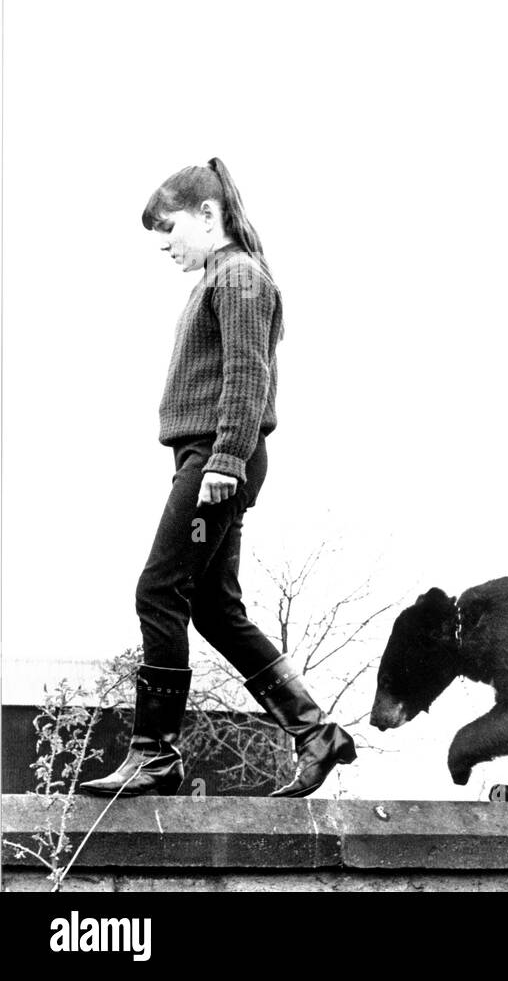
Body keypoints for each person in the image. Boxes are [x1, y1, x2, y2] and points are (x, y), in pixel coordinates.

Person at [81, 158, 356, 798]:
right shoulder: (222, 279)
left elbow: (247, 375)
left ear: (209, 214)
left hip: (217, 457)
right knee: (214, 610)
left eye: (170, 228)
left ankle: (155, 755)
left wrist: (224, 461)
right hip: (206, 457)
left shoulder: (238, 279)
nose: (165, 245)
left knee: (159, 589)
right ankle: (315, 733)